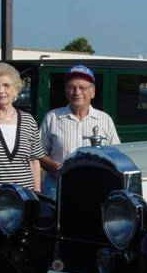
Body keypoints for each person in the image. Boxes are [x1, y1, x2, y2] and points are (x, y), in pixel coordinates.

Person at [39, 65, 119, 198]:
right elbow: (39, 153)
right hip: (57, 187)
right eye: (72, 87)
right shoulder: (52, 117)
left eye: (82, 88)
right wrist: (57, 168)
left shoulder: (105, 120)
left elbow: (116, 154)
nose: (77, 92)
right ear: (66, 91)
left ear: (92, 92)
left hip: (95, 187)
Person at [0, 63, 43, 191]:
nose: (1, 91)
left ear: (16, 90)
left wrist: (37, 194)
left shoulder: (28, 120)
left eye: (6, 85)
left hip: (24, 198)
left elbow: (34, 161)